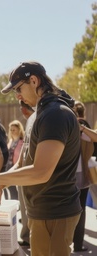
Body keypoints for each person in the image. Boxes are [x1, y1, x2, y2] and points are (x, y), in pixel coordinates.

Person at [0, 61, 81, 255]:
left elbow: (41, 172)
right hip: (39, 210)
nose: (18, 96)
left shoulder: (56, 114)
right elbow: (23, 163)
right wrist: (0, 184)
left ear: (34, 80)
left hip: (56, 211)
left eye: (19, 88)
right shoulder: (37, 116)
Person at [72, 100, 94, 252]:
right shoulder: (81, 126)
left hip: (71, 174)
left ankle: (73, 242)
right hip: (79, 174)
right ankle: (77, 244)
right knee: (79, 210)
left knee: (73, 209)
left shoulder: (79, 126)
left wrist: (82, 128)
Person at [16, 100, 35, 248]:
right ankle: (27, 237)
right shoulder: (31, 122)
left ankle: (29, 237)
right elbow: (21, 161)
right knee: (24, 210)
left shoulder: (37, 120)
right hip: (23, 176)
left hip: (33, 178)